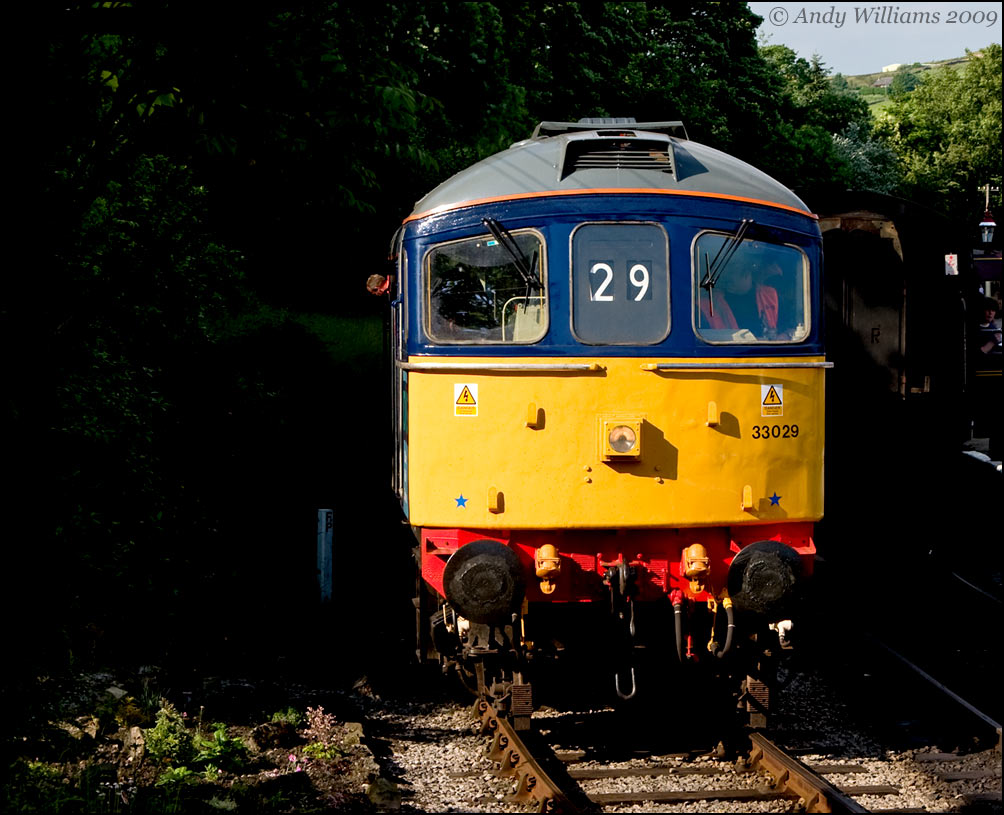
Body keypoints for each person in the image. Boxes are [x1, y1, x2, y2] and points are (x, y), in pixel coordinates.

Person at [700, 264, 779, 339]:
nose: (724, 276)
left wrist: (782, 336)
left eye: (731, 271)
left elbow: (787, 329)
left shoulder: (771, 295)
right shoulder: (709, 303)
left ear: (746, 273)